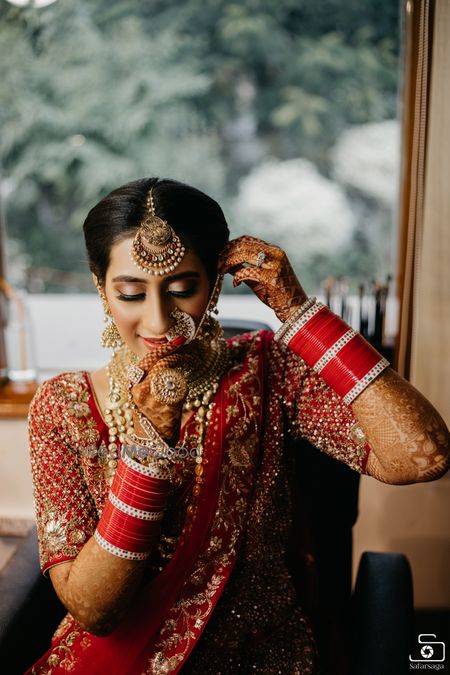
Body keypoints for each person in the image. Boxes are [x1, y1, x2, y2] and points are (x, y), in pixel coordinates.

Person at [26, 177, 449, 675]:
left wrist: (300, 313)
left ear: (215, 282)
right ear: (102, 288)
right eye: (132, 294)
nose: (160, 322)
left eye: (183, 289)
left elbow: (424, 456)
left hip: (262, 659)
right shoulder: (64, 408)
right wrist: (148, 453)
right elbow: (94, 612)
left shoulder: (266, 372)